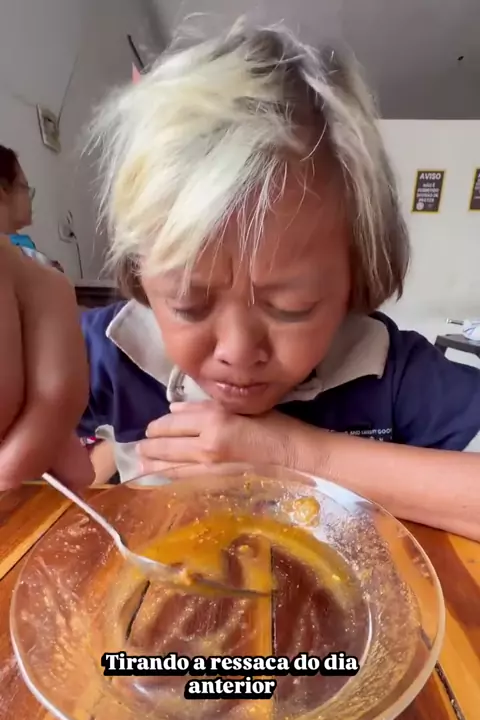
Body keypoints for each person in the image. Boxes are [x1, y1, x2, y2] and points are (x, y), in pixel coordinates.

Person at [1, 21, 480, 540]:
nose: (237, 352)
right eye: (188, 304)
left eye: (292, 307)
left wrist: (294, 454)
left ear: (355, 278)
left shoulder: (388, 372)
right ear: (141, 274)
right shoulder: (112, 355)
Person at [0, 145, 63, 269]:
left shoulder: (22, 248)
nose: (29, 197)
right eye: (25, 187)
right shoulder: (13, 256)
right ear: (2, 191)